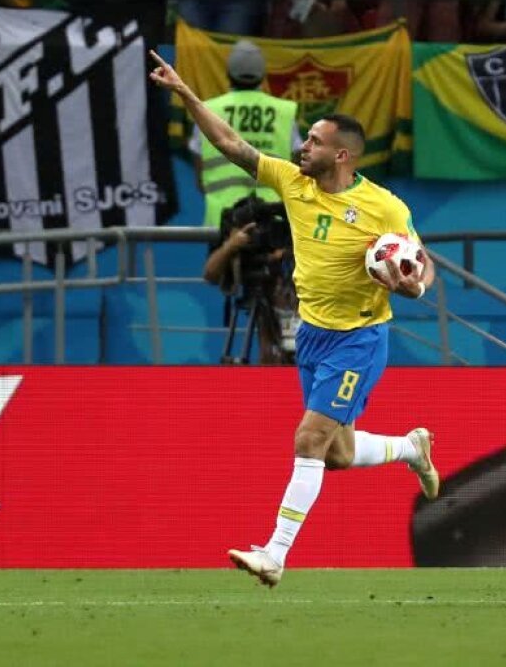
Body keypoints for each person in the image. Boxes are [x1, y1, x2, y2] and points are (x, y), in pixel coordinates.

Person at [150, 49, 441, 587]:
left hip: (358, 338)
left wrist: (413, 287)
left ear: (343, 155)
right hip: (312, 335)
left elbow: (423, 268)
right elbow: (230, 144)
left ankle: (276, 554)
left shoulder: (385, 208)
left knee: (309, 440)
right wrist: (187, 95)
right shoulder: (292, 183)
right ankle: (410, 447)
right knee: (337, 455)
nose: (302, 147)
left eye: (314, 142)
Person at [189, 40, 303, 228]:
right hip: (271, 219)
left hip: (222, 219)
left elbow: (200, 175)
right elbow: (298, 165)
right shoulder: (284, 112)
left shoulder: (208, 110)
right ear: (263, 75)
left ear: (227, 73)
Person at [203, 204, 299, 365]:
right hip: (266, 319)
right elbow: (210, 274)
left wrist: (288, 254)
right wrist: (230, 246)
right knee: (271, 359)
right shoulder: (248, 260)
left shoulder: (298, 267)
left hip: (298, 313)